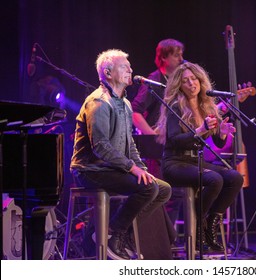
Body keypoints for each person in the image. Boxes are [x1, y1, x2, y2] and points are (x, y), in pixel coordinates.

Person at [70, 49, 171, 260]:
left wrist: (141, 169)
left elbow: (129, 143)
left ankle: (118, 234)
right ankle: (112, 234)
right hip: (91, 169)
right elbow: (101, 147)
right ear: (108, 72)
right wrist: (131, 168)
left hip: (111, 168)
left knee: (163, 189)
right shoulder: (98, 102)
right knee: (148, 188)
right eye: (125, 67)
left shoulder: (124, 103)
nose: (131, 70)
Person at [155, 62, 243, 251]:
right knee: (214, 179)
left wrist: (223, 133)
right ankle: (199, 225)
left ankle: (211, 221)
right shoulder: (175, 106)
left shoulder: (206, 105)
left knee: (235, 177)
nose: (191, 84)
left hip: (196, 161)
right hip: (175, 163)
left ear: (201, 81)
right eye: (186, 81)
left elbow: (217, 142)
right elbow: (175, 140)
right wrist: (200, 130)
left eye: (194, 79)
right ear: (179, 85)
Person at [132, 38, 185, 226]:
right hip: (158, 149)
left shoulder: (178, 81)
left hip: (174, 143)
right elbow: (134, 111)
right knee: (166, 194)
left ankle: (172, 240)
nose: (181, 58)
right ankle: (161, 242)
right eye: (176, 55)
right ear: (163, 57)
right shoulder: (154, 80)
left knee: (177, 194)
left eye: (181, 54)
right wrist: (152, 137)